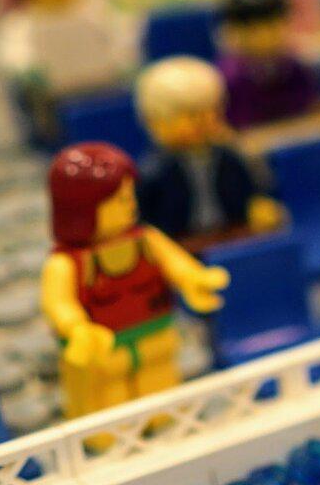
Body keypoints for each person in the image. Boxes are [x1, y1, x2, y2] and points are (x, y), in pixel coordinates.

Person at [40, 143, 229, 425]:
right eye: (120, 200)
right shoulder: (66, 264)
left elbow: (176, 265)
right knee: (109, 407)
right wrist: (76, 327)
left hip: (155, 338)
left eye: (130, 197)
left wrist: (194, 280)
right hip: (103, 353)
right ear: (82, 209)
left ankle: (162, 422)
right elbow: (58, 303)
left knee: (161, 396)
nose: (131, 205)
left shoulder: (147, 240)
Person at [134, 57, 286, 251]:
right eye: (190, 115)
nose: (202, 122)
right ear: (154, 122)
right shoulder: (153, 172)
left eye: (210, 111)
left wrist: (259, 207)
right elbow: (145, 221)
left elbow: (256, 191)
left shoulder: (230, 157)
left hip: (235, 236)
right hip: (181, 247)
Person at [0, 0, 136, 138]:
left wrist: (125, 60)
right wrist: (29, 72)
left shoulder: (95, 12)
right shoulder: (22, 25)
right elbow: (16, 57)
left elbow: (122, 38)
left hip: (111, 92)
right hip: (59, 104)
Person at [216, 0, 320, 132]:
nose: (265, 36)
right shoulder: (227, 80)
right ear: (233, 32)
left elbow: (319, 115)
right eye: (253, 29)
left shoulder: (297, 69)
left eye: (273, 26)